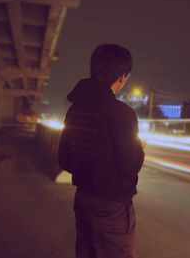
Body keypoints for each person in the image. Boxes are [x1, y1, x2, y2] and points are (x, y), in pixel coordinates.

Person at [58, 44, 145, 258]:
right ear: (122, 77)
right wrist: (139, 148)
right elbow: (129, 167)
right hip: (112, 206)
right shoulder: (121, 113)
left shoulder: (74, 109)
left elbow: (64, 160)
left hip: (83, 199)